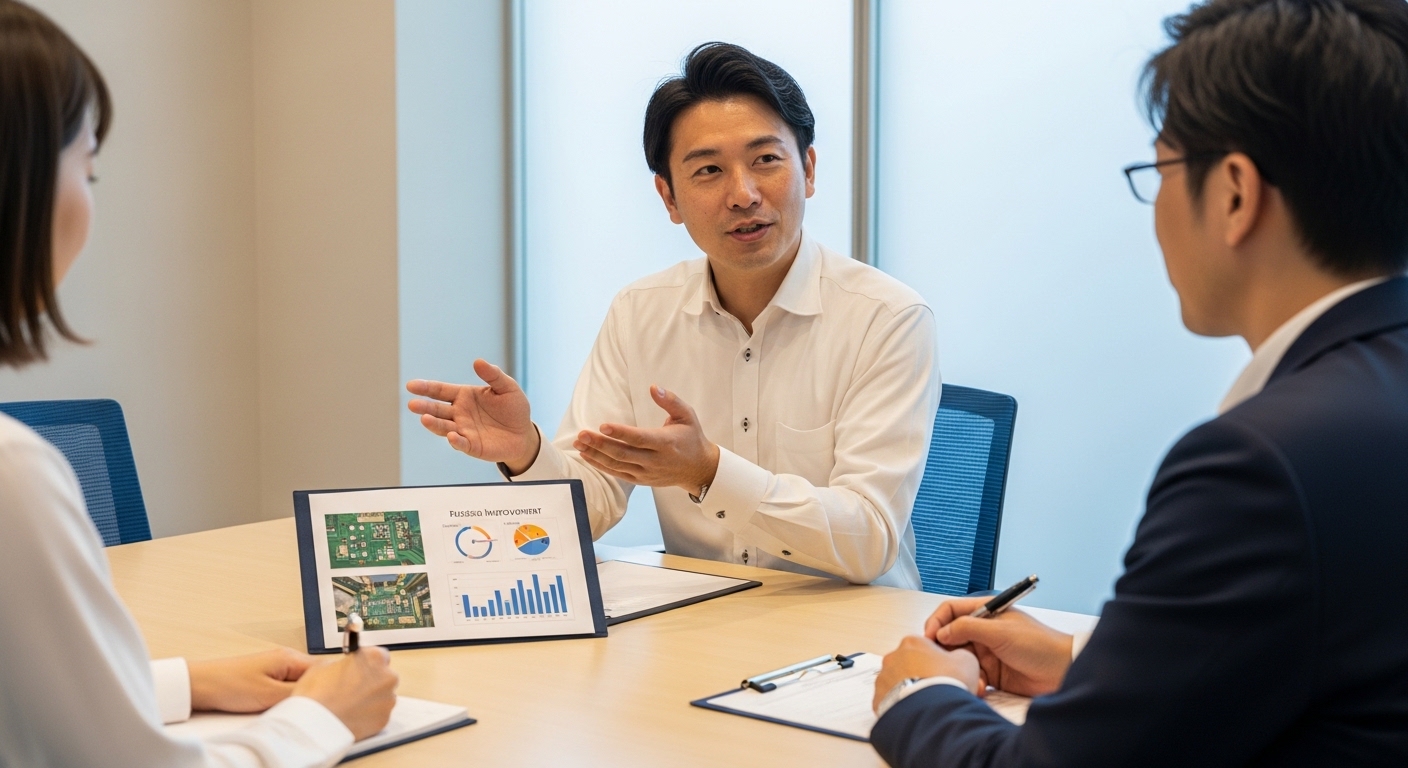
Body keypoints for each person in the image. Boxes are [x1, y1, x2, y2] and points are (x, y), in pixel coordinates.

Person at [870, 0, 1408, 764]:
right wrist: (1087, 665)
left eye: (1160, 172)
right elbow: (1327, 665)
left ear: (1234, 193)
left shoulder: (1260, 466)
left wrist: (918, 694)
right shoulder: (1374, 395)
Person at [0, 2, 399, 765]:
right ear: (21, 181)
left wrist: (180, 682)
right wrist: (324, 718)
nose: (90, 198)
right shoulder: (11, 471)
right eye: (87, 167)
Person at [408, 43, 939, 589]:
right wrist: (526, 453)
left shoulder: (888, 319)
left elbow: (869, 539)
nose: (743, 194)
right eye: (709, 170)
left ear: (807, 169)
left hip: (856, 627)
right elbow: (591, 503)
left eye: (766, 160)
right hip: (709, 618)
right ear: (669, 197)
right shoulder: (640, 314)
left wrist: (708, 472)